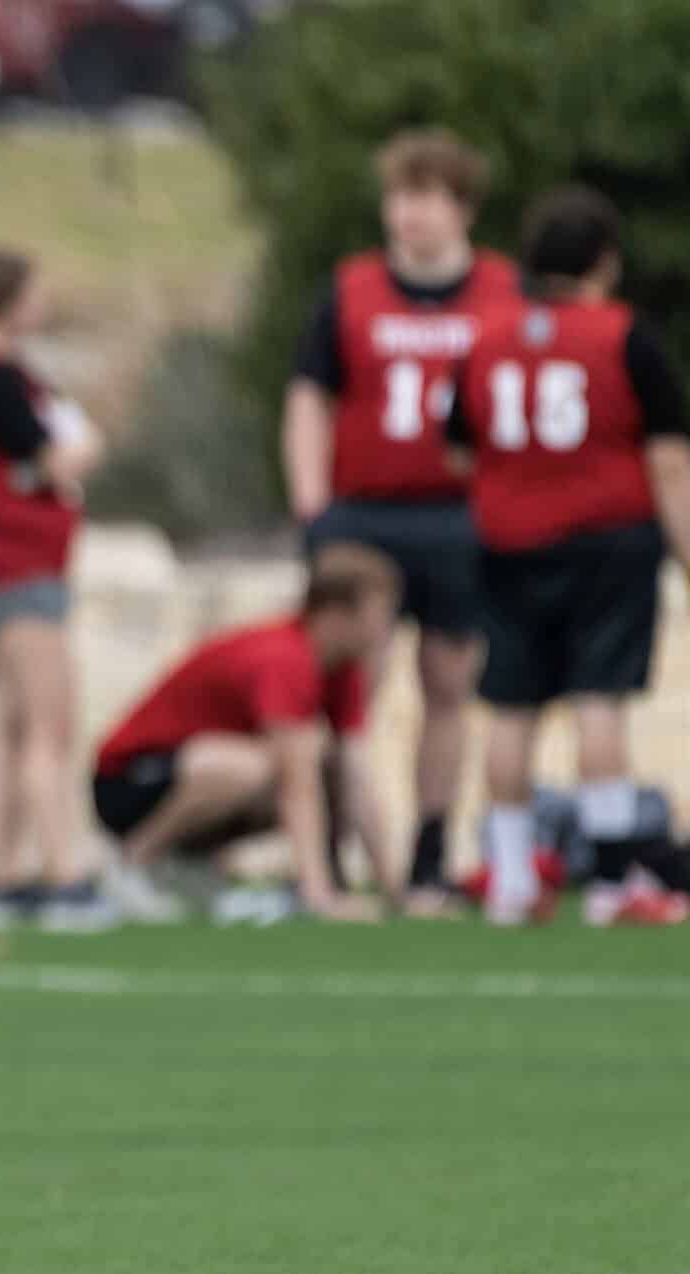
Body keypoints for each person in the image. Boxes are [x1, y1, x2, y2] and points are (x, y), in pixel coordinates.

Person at [446, 186, 690, 927]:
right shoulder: (622, 336)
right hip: (606, 543)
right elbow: (671, 461)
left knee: (510, 709)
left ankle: (512, 880)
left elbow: (458, 448)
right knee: (599, 703)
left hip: (507, 542)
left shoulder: (486, 338)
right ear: (604, 261)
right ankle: (615, 883)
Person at [282, 130, 521, 911]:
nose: (408, 215)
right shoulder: (352, 290)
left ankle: (426, 854)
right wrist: (314, 503)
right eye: (399, 197)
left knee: (450, 684)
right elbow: (310, 396)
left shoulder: (499, 291)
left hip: (458, 517)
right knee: (352, 687)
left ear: (462, 208)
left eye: (425, 198)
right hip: (364, 517)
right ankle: (340, 851)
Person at [0, 248, 111, 932]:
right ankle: (63, 876)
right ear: (10, 299)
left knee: (11, 723)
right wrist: (77, 453)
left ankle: (5, 877)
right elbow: (53, 456)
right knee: (49, 722)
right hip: (15, 562)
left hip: (8, 560)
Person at [91, 544, 403, 924]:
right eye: (380, 614)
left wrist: (396, 891)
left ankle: (188, 861)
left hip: (194, 773)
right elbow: (296, 783)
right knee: (268, 769)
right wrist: (319, 896)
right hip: (125, 782)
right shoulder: (284, 657)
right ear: (338, 613)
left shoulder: (344, 669)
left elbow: (355, 778)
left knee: (331, 773)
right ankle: (132, 861)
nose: (389, 626)